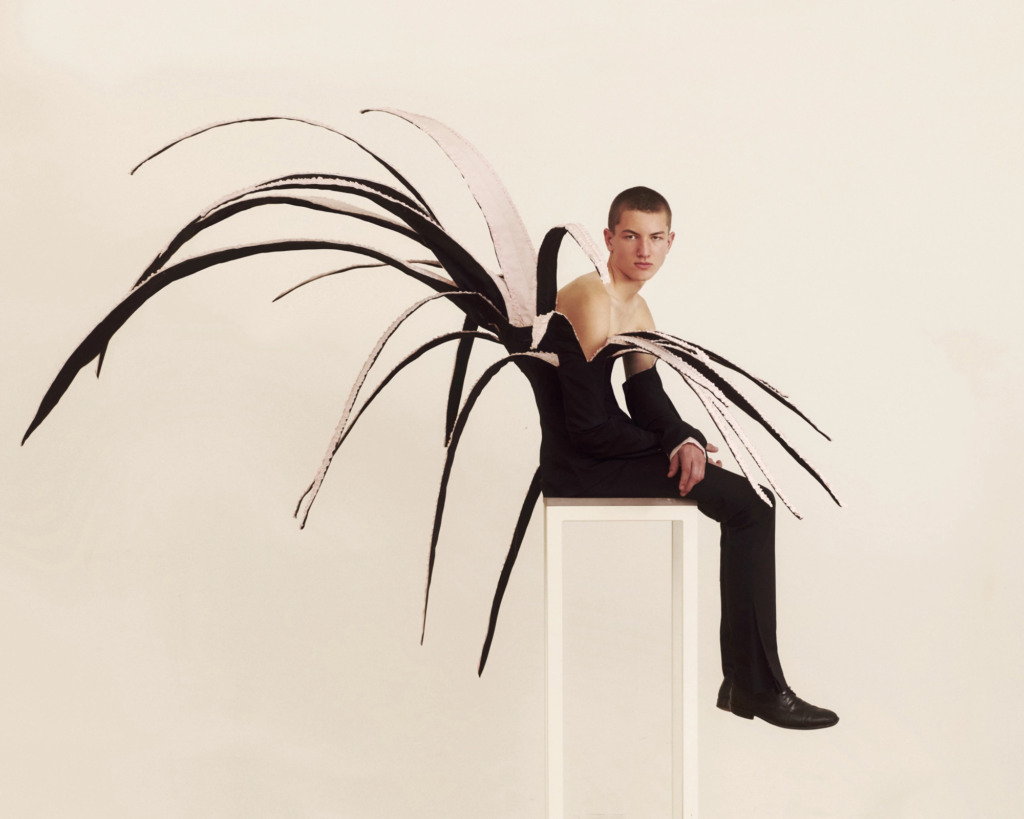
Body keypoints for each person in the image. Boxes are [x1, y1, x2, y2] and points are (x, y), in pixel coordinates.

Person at [543, 186, 838, 730]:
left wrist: (685, 441)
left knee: (750, 501)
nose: (644, 250)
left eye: (656, 238)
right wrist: (674, 448)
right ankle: (754, 687)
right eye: (631, 236)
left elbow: (646, 397)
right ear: (608, 238)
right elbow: (585, 427)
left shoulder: (636, 307)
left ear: (671, 241)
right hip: (582, 463)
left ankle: (748, 682)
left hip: (610, 448)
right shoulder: (591, 299)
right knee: (749, 505)